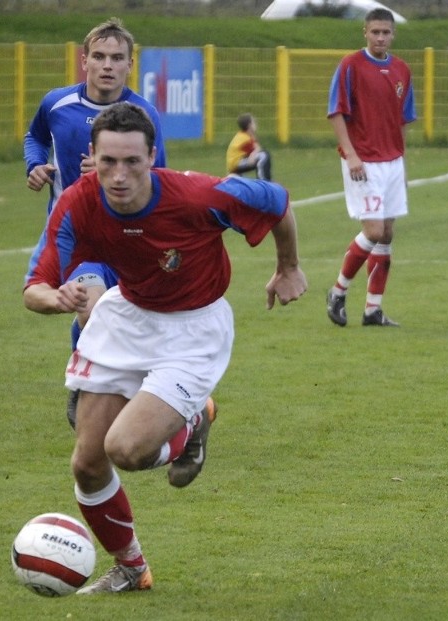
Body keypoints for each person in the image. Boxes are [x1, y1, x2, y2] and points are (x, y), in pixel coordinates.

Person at [23, 102, 308, 594]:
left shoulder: (199, 195)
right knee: (88, 464)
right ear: (91, 156)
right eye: (108, 161)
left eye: (132, 161)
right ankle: (132, 569)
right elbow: (35, 287)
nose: (119, 174)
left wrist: (288, 267)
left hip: (194, 330)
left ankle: (193, 418)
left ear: (152, 156)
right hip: (127, 317)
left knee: (126, 450)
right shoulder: (77, 202)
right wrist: (57, 297)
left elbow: (276, 200)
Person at [23, 18, 166, 426]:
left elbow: (161, 176)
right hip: (77, 234)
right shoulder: (57, 104)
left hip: (129, 236)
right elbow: (34, 136)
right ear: (84, 61)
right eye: (99, 56)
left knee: (127, 319)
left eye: (117, 58)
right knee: (93, 309)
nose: (107, 65)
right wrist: (35, 164)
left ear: (130, 65)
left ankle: (98, 380)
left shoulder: (144, 114)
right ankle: (85, 387)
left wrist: (112, 173)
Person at [325, 8, 416, 327]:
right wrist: (350, 155)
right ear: (365, 32)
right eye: (375, 31)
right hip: (363, 160)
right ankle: (337, 291)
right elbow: (336, 112)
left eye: (386, 32)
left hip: (391, 162)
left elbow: (403, 121)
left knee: (387, 232)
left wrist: (402, 165)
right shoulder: (350, 65)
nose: (380, 37)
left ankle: (373, 309)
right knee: (373, 230)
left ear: (393, 34)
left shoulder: (402, 70)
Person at [226, 113, 272, 181]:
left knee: (262, 154)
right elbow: (256, 152)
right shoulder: (245, 139)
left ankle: (265, 181)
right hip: (235, 164)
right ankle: (264, 182)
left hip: (236, 163)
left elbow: (257, 149)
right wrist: (254, 153)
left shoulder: (246, 135)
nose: (256, 124)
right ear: (250, 125)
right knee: (263, 155)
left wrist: (254, 152)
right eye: (254, 122)